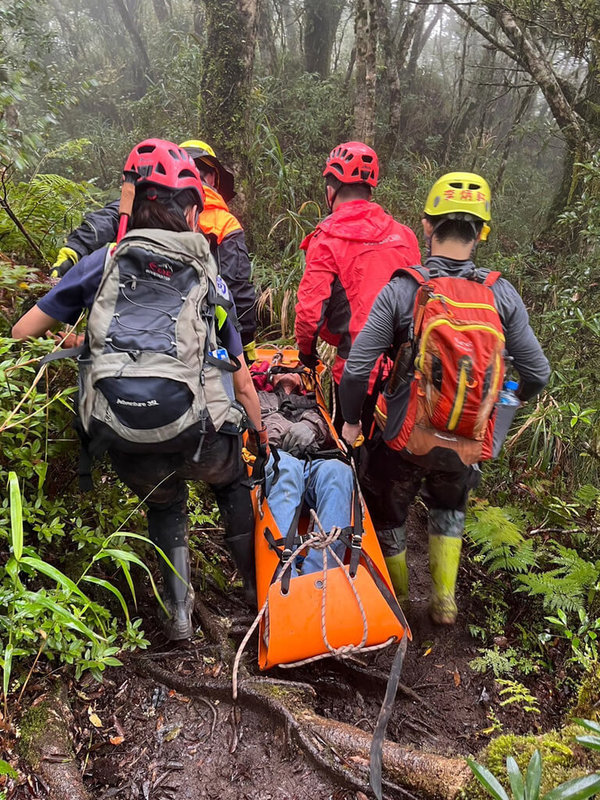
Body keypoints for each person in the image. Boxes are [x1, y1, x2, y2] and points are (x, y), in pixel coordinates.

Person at [13, 139, 266, 641]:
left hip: (122, 431)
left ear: (135, 201)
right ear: (192, 211)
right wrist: (259, 435)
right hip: (198, 436)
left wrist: (85, 341)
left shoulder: (103, 261)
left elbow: (24, 332)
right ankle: (258, 595)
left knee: (164, 502)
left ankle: (177, 620)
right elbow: (240, 376)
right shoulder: (208, 276)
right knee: (232, 480)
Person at [339, 172, 550, 624]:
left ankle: (396, 600)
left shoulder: (403, 289)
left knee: (389, 508)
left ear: (427, 225)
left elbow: (357, 368)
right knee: (449, 505)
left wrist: (352, 422)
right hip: (468, 441)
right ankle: (444, 602)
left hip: (405, 438)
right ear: (481, 233)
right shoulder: (500, 294)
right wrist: (500, 408)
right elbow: (537, 372)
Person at [51, 138, 258, 361]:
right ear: (214, 179)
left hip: (125, 333)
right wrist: (243, 347)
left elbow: (108, 219)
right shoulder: (225, 222)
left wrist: (75, 250)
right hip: (198, 341)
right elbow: (236, 288)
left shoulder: (146, 206)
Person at [294, 141, 421, 431]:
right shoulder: (404, 236)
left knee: (345, 445)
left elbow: (310, 312)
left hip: (354, 370)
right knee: (388, 444)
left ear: (331, 188)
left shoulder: (326, 238)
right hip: (402, 368)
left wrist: (306, 353)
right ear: (370, 190)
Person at [252, 363, 354, 574]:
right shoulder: (259, 399)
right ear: (270, 379)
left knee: (339, 471)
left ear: (302, 380)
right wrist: (288, 431)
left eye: (294, 370)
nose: (287, 372)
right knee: (287, 468)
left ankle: (321, 572)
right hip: (279, 459)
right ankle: (283, 569)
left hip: (313, 463)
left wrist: (309, 426)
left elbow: (325, 430)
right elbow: (257, 428)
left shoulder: (312, 404)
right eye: (280, 370)